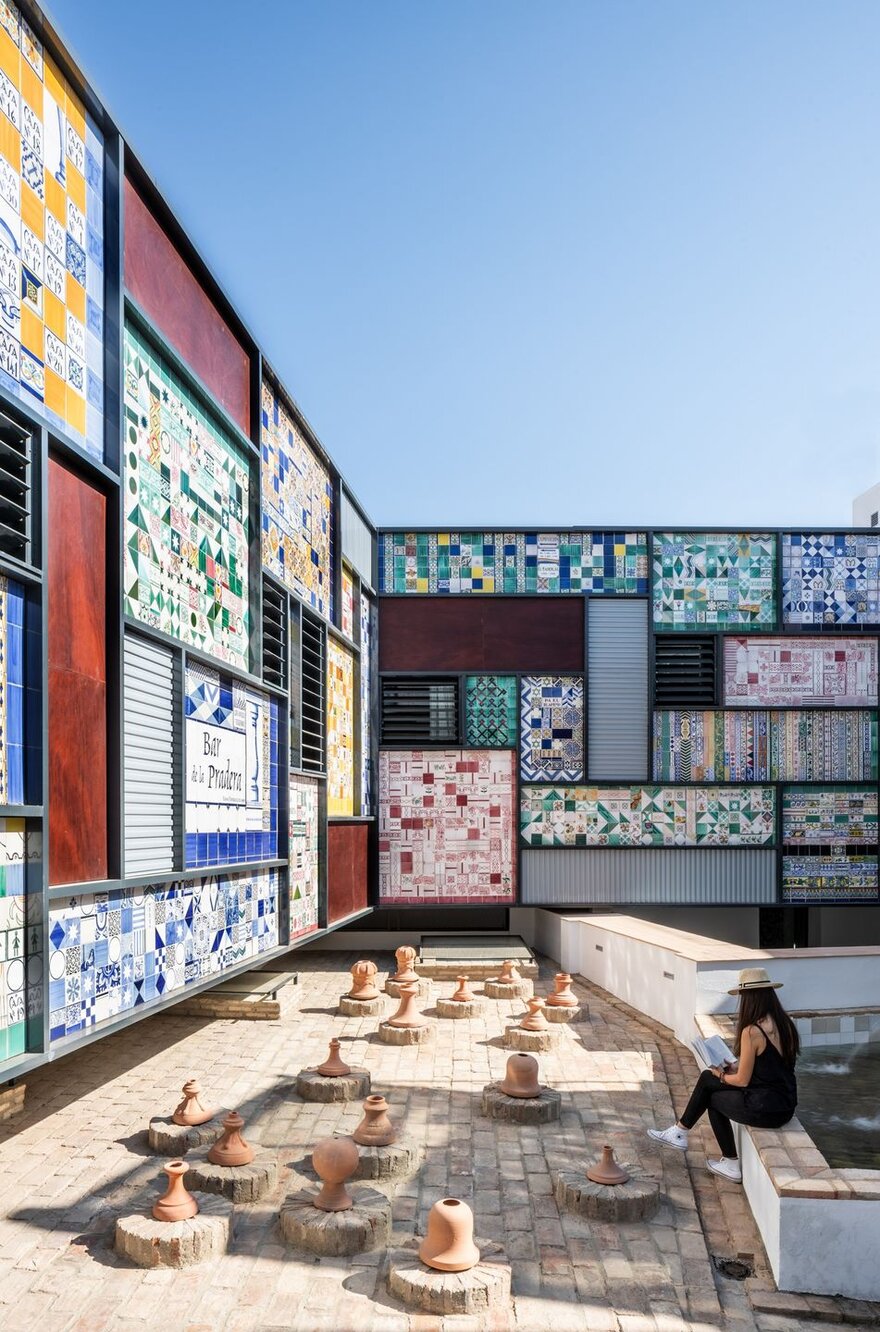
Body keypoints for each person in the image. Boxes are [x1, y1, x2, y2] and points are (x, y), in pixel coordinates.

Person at [647, 967, 799, 1182]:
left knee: (712, 1093)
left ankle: (724, 1158)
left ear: (749, 999)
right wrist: (733, 1067)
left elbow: (742, 1081)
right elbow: (772, 1067)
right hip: (785, 1105)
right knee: (708, 1080)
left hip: (765, 1108)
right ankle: (680, 1132)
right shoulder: (785, 1024)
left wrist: (721, 1075)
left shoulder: (752, 1031)